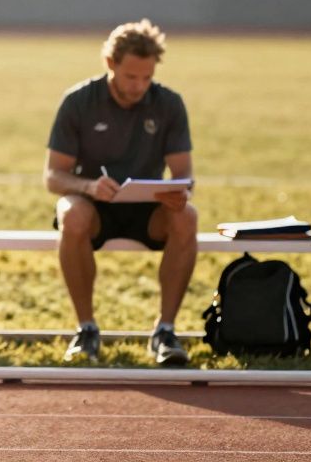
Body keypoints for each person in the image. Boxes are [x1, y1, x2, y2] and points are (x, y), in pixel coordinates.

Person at [43, 18, 197, 366]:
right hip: (94, 207)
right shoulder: (79, 101)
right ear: (110, 63)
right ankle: (86, 330)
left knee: (187, 216)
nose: (140, 85)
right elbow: (54, 176)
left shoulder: (169, 103)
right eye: (131, 76)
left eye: (147, 76)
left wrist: (180, 191)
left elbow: (184, 173)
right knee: (71, 212)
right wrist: (88, 186)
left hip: (149, 209)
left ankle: (165, 331)